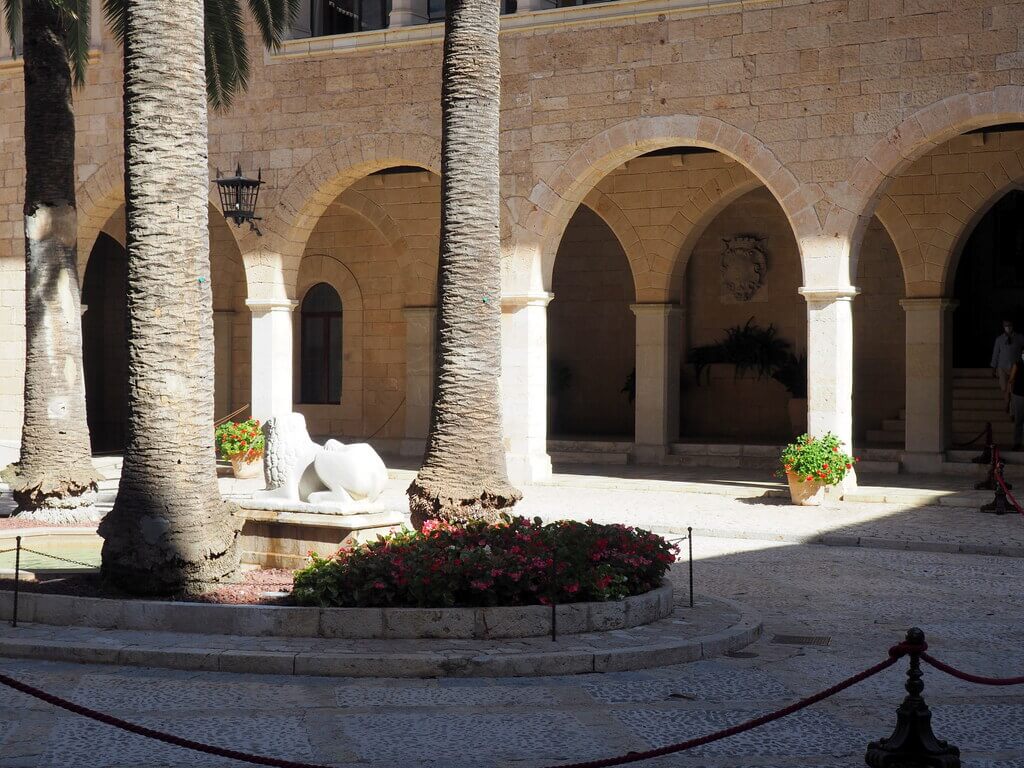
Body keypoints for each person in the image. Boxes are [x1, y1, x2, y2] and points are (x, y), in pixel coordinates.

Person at [991, 319, 1024, 399]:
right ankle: (1008, 401)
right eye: (1006, 325)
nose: (1008, 327)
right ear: (1003, 326)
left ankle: (1009, 404)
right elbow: (995, 353)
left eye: (1009, 325)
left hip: (1015, 367)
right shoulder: (999, 339)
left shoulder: (1019, 337)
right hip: (1002, 367)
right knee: (1004, 387)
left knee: (1013, 387)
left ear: (1012, 326)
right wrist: (993, 367)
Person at [1007, 351, 1024, 450]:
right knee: (1019, 420)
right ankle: (1017, 443)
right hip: (1019, 395)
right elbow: (1011, 379)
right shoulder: (1017, 364)